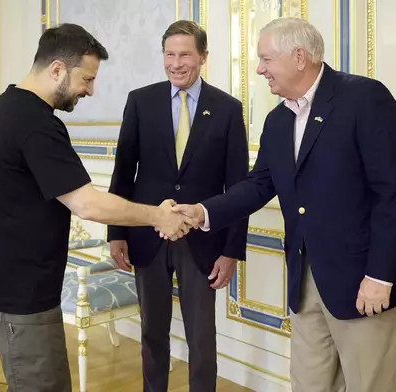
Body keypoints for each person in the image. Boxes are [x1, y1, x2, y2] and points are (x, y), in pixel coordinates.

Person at [170, 17, 396, 392]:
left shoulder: (363, 98)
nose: (259, 69)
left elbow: (394, 192)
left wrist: (380, 276)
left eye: (266, 59)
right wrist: (203, 212)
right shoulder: (277, 120)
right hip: (305, 282)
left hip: (363, 281)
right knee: (309, 385)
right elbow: (259, 184)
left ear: (299, 56)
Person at [0, 23, 198, 392]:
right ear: (57, 69)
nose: (89, 89)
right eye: (86, 78)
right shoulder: (35, 123)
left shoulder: (3, 107)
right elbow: (86, 203)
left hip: (4, 283)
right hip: (19, 293)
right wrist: (157, 215)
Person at [107, 20, 249, 392]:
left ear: (203, 57)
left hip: (203, 241)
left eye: (185, 54)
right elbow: (123, 172)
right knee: (152, 330)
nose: (176, 63)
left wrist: (231, 251)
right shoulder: (140, 101)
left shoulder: (228, 109)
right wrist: (116, 234)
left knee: (202, 336)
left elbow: (238, 188)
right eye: (169, 54)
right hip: (146, 236)